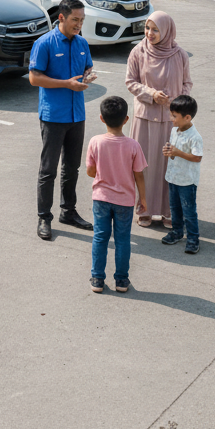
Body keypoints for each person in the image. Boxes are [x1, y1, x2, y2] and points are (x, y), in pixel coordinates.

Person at [28, 0, 96, 240]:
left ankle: (68, 211)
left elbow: (87, 67)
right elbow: (34, 78)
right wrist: (66, 84)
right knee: (48, 170)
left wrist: (88, 75)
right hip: (53, 116)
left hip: (77, 115)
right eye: (75, 20)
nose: (79, 25)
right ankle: (44, 217)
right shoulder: (44, 43)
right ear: (61, 18)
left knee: (72, 168)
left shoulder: (82, 43)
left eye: (82, 20)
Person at [125, 11, 192, 229]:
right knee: (143, 166)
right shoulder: (138, 52)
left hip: (171, 120)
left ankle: (168, 211)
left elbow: (187, 84)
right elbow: (131, 82)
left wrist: (178, 102)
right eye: (147, 28)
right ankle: (144, 208)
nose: (150, 33)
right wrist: (150, 94)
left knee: (169, 166)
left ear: (166, 31)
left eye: (155, 29)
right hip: (144, 118)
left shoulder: (179, 54)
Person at [86, 96, 147, 293]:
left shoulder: (95, 142)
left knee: (100, 238)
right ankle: (121, 280)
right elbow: (139, 175)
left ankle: (97, 278)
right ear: (126, 119)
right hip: (125, 201)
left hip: (101, 198)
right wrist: (143, 199)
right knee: (122, 240)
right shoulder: (133, 145)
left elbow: (90, 171)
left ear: (102, 118)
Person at [162, 95, 203, 254]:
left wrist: (178, 153)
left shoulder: (195, 137)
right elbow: (174, 151)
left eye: (174, 116)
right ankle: (177, 232)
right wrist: (170, 152)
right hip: (173, 177)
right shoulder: (174, 131)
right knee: (175, 208)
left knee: (189, 211)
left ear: (187, 117)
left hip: (187, 181)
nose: (171, 119)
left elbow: (197, 157)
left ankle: (193, 239)